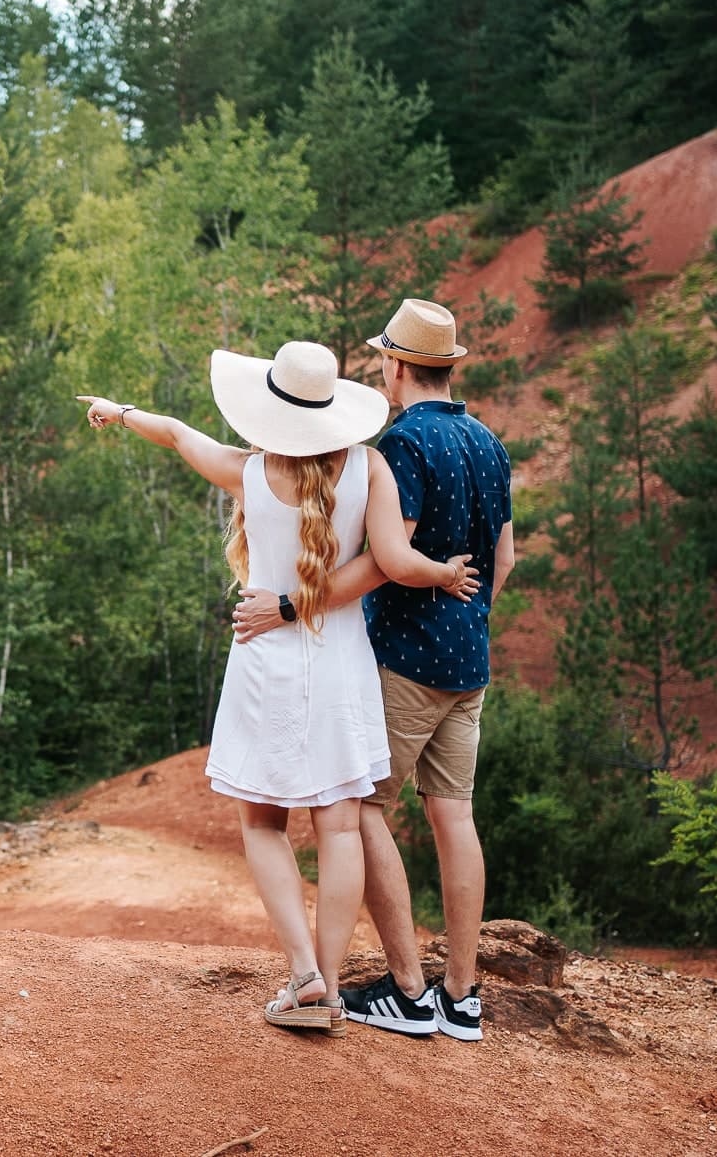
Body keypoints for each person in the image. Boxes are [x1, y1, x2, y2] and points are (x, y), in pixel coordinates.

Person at [77, 340, 478, 1036]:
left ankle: (304, 975)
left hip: (267, 658)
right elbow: (387, 563)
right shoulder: (370, 467)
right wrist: (441, 572)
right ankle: (327, 985)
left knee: (262, 821)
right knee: (341, 824)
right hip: (345, 661)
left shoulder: (250, 471)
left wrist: (119, 412)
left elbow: (175, 432)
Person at [232, 299, 514, 1043]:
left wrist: (292, 606)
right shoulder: (489, 442)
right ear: (448, 366)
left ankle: (410, 990)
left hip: (407, 658)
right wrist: (470, 615)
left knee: (359, 809)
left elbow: (386, 561)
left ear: (394, 366)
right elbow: (504, 561)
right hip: (470, 660)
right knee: (455, 815)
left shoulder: (402, 445)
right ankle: (464, 994)